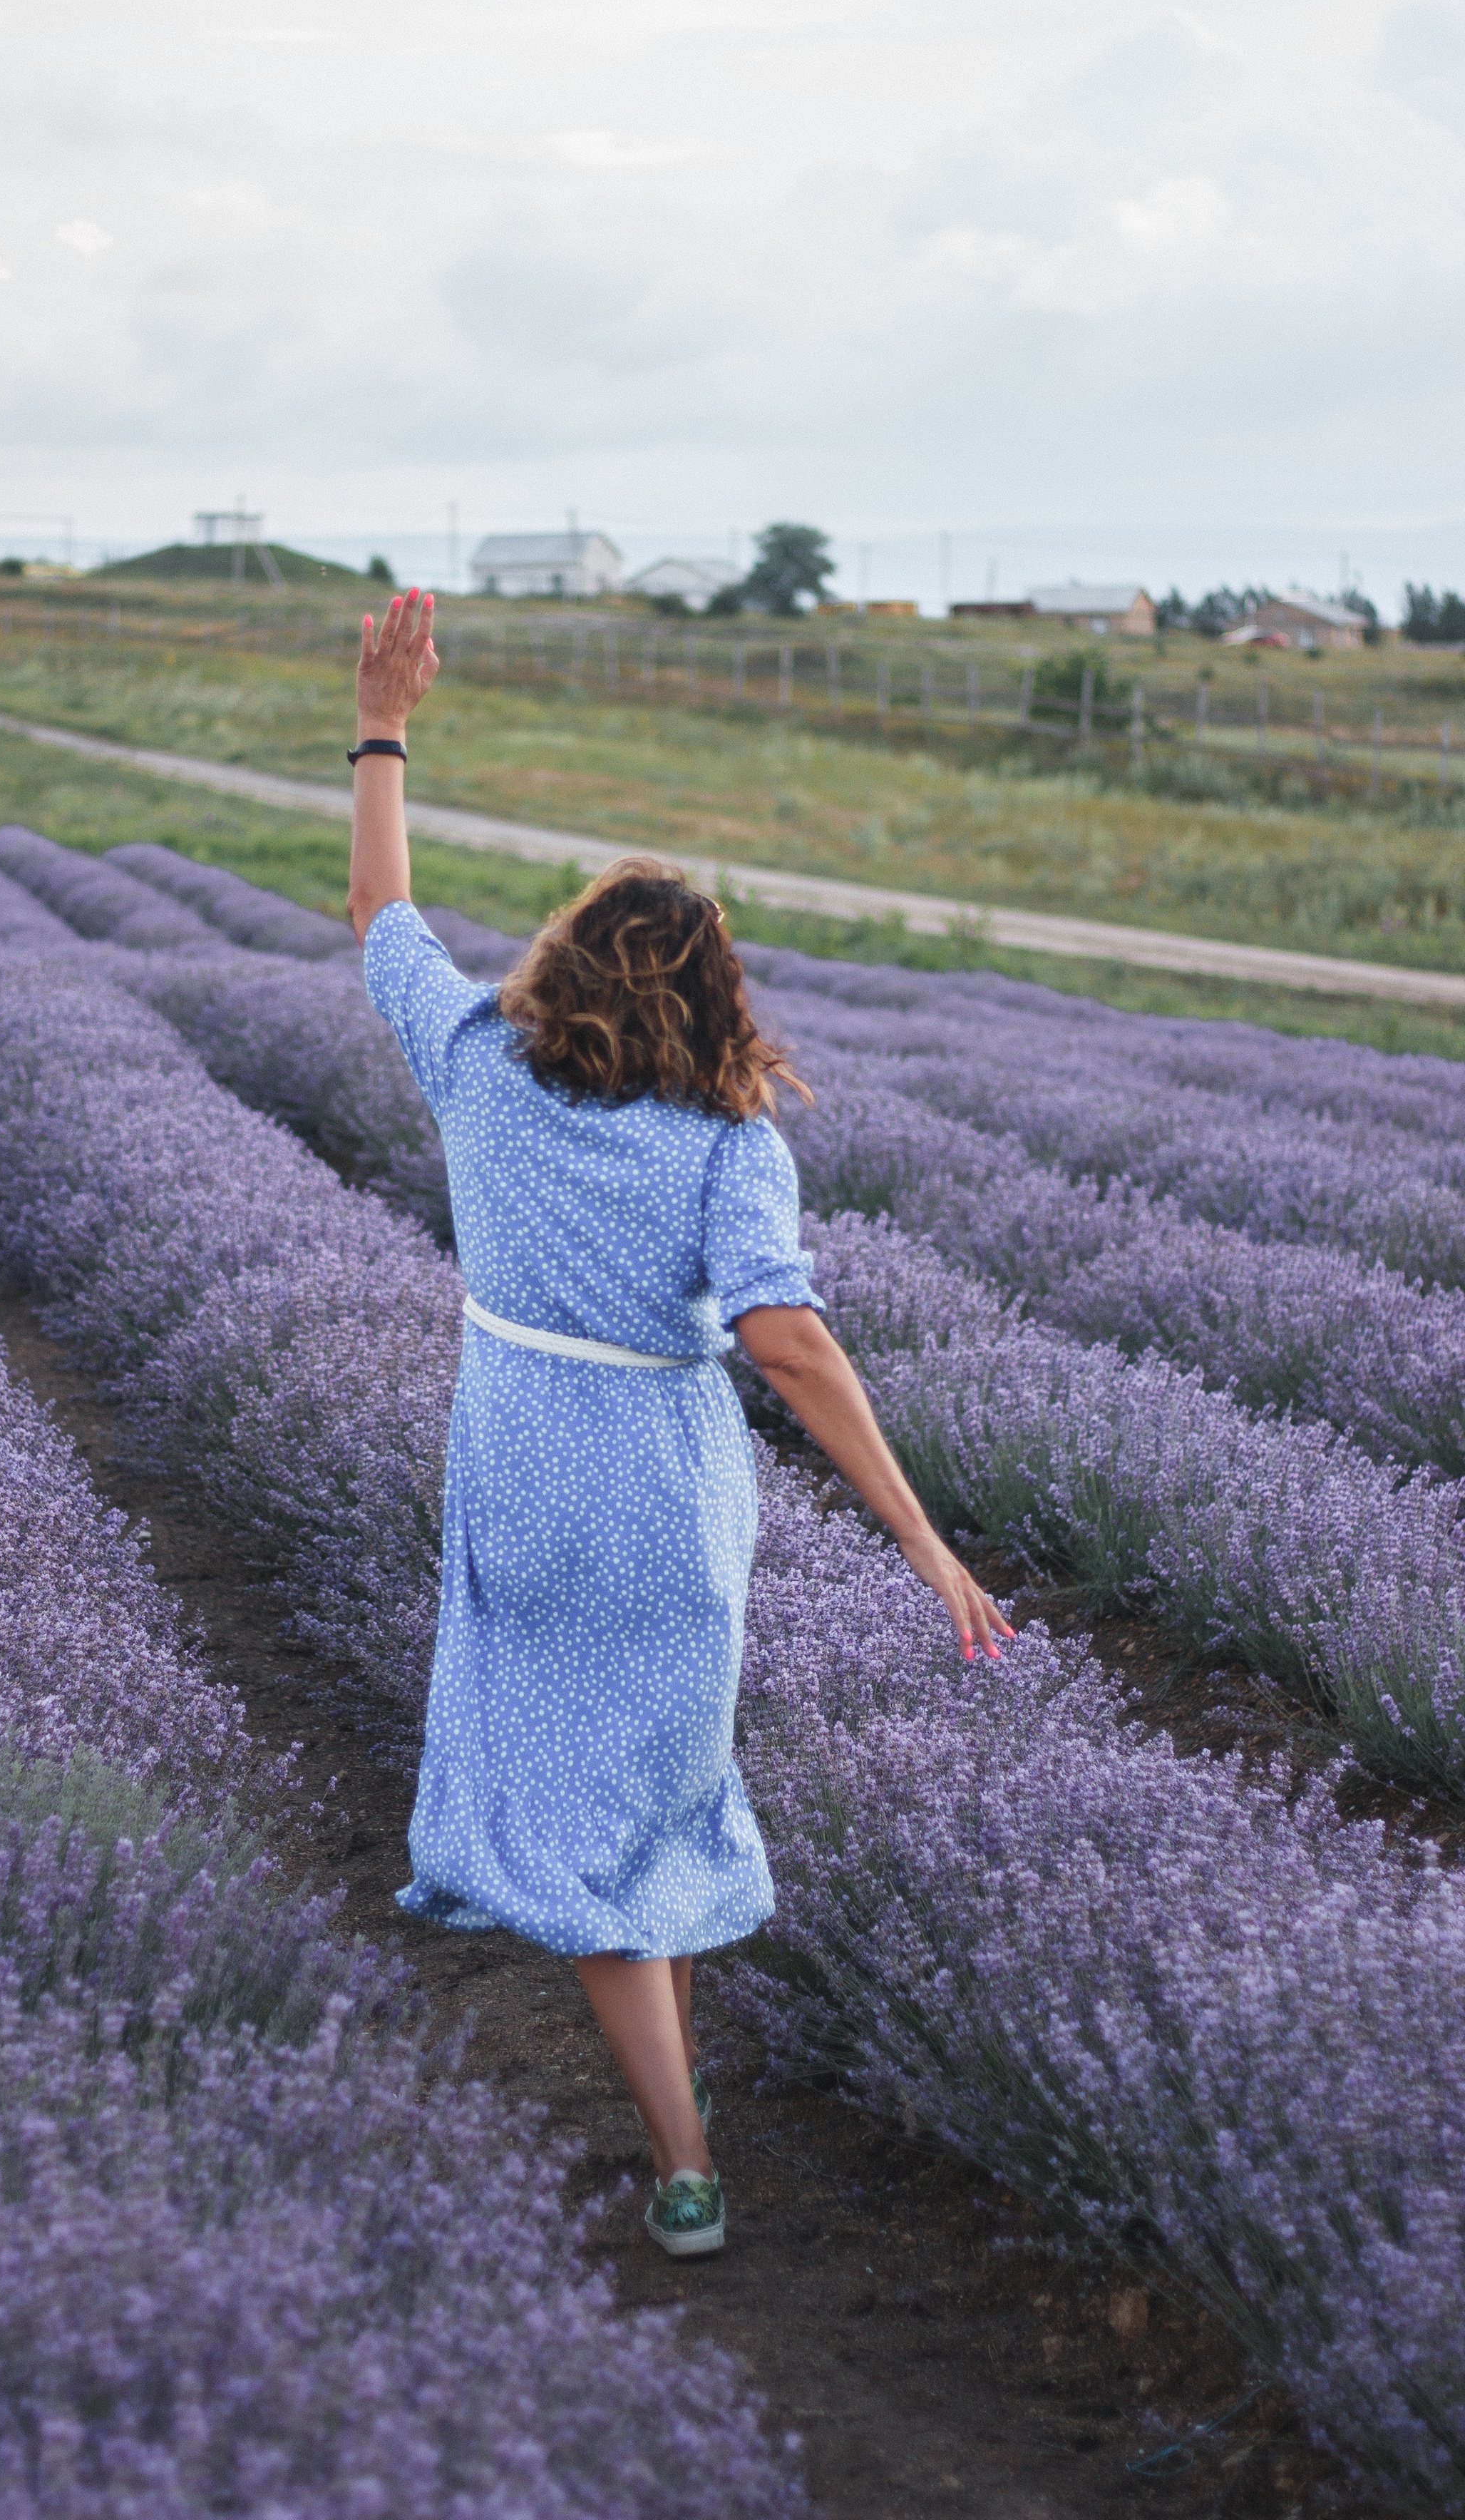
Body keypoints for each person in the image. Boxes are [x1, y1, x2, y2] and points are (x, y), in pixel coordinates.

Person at [347, 588, 1014, 2260]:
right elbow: (785, 1346)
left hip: (519, 1464)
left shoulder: (478, 1068)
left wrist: (382, 721)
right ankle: (682, 2148)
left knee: (576, 1817)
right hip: (663, 1490)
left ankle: (682, 2148)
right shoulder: (730, 1147)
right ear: (712, 1003)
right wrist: (924, 1545)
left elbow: (378, 911)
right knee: (643, 1800)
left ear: (562, 963)